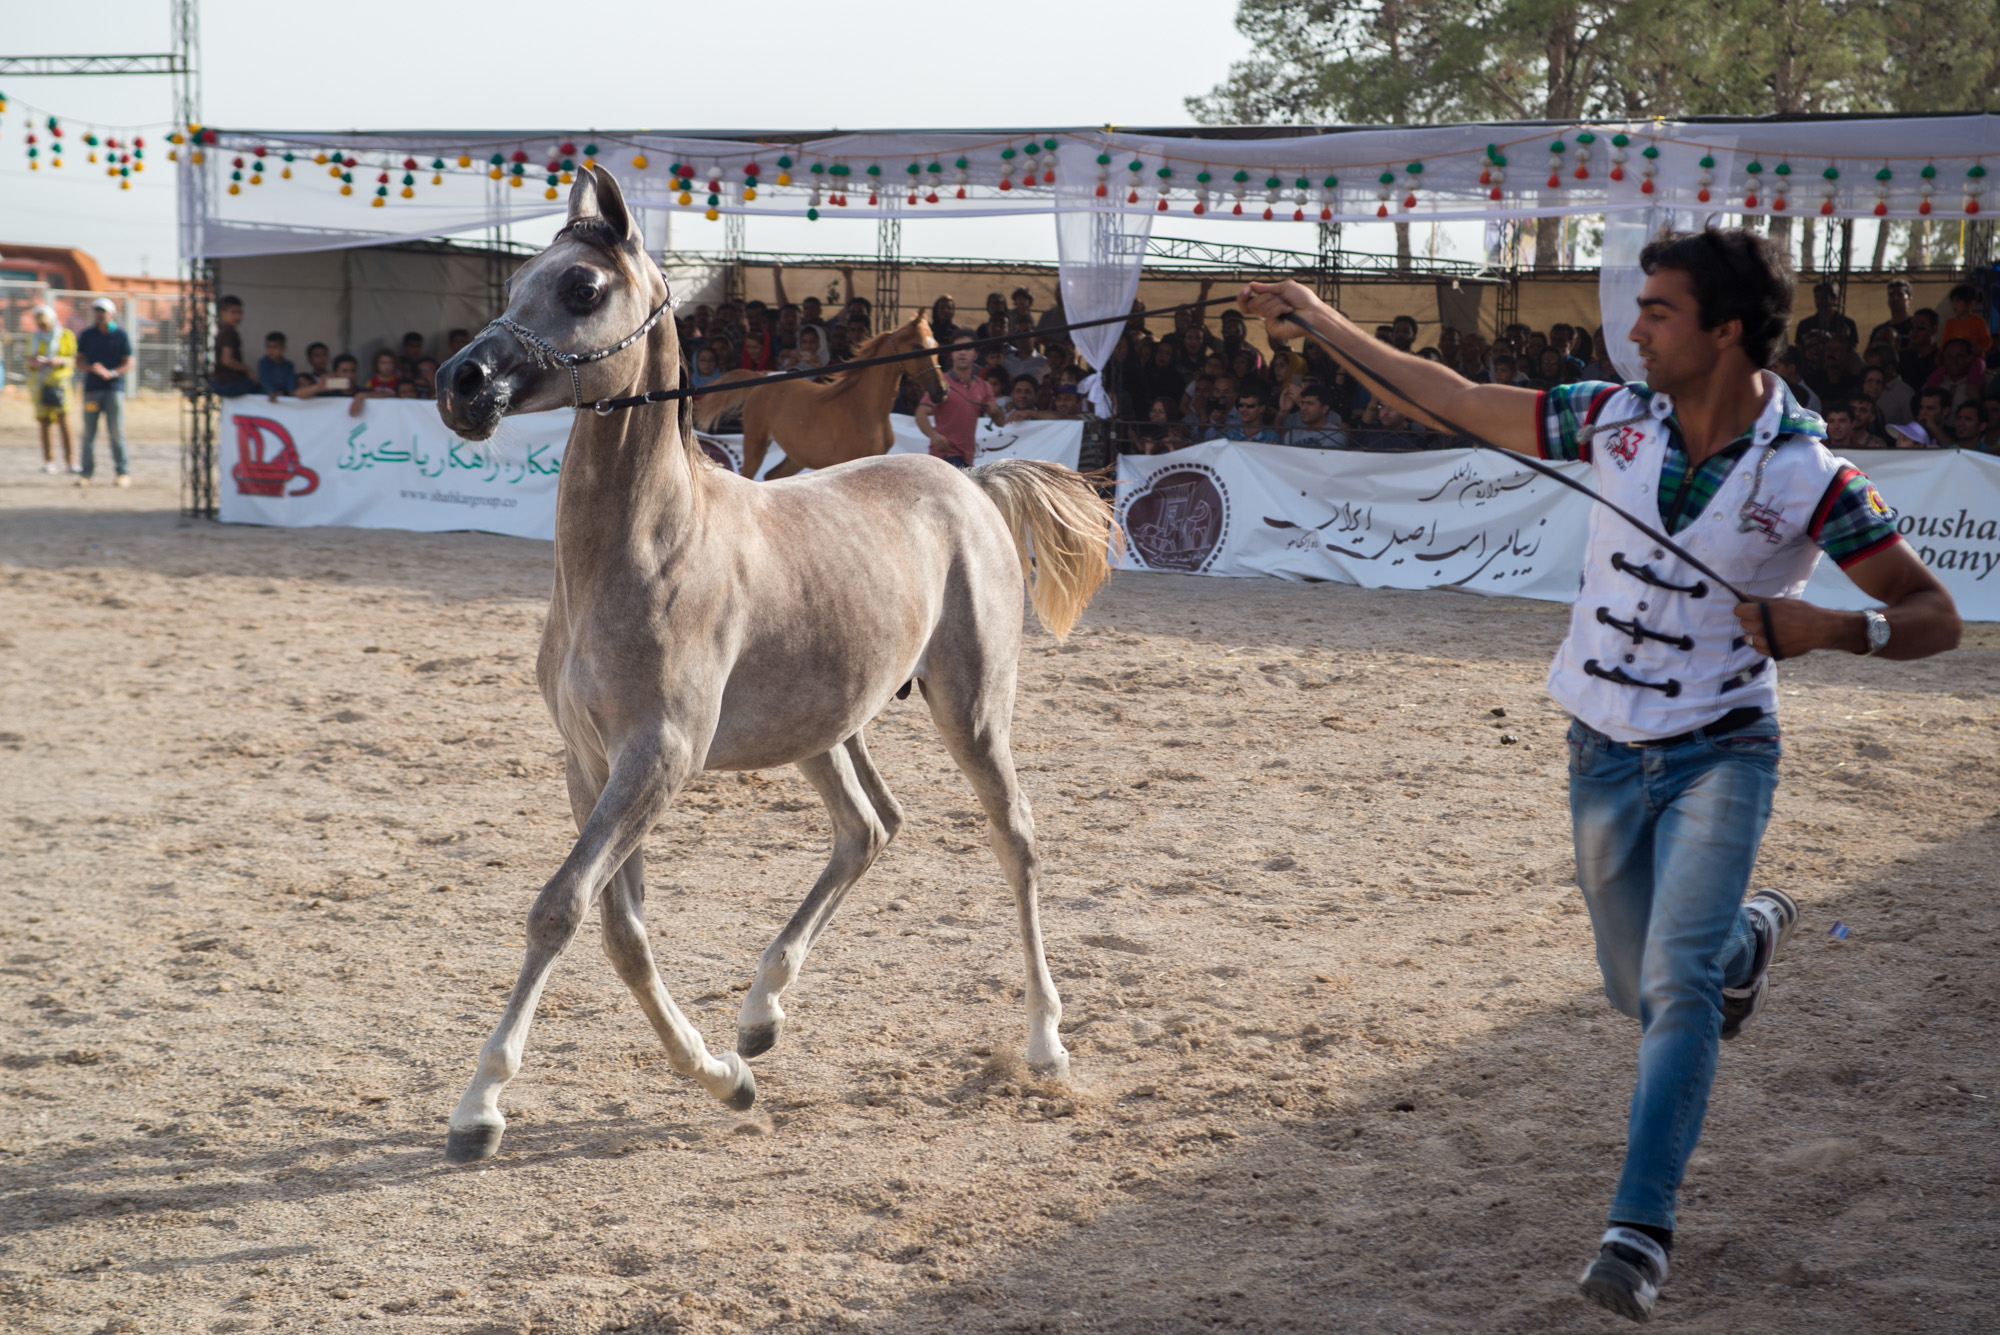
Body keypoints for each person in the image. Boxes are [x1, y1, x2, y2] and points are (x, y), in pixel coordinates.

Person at [1239, 226, 1961, 1325]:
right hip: (1598, 745)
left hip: (1722, 748)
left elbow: (1932, 618)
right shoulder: (1608, 417)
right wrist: (1316, 316)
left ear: (1721, 332)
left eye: (1656, 312)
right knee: (1642, 987)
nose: (1633, 330)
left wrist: (1828, 628)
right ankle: (1740, 938)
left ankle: (1636, 1231)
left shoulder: (1813, 478)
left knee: (1672, 997)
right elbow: (1450, 396)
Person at [915, 332, 1003, 468]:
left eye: (967, 348)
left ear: (975, 355)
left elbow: (1000, 423)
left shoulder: (984, 387)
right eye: (958, 348)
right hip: (943, 457)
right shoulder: (941, 382)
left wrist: (996, 411)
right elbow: (921, 413)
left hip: (967, 458)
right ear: (951, 354)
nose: (962, 352)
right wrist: (934, 436)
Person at [75, 298, 132, 487]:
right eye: (97, 311)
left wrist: (112, 373)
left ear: (112, 314)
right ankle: (86, 473)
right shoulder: (87, 335)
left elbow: (129, 362)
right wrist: (93, 369)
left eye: (104, 311)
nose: (100, 314)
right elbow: (79, 361)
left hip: (113, 389)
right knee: (89, 433)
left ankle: (122, 472)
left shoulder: (120, 335)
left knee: (116, 431)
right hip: (92, 390)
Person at [25, 305, 77, 474]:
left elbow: (73, 358)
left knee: (64, 422)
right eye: (39, 323)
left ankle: (71, 461)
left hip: (59, 383)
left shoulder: (65, 335)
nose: (42, 326)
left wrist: (58, 361)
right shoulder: (33, 338)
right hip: (40, 384)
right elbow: (28, 359)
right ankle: (49, 461)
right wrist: (34, 363)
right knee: (45, 423)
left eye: (45, 323)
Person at [211, 295, 257, 397]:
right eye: (233, 312)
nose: (237, 316)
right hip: (229, 384)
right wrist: (247, 370)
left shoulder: (223, 330)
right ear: (222, 313)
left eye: (240, 313)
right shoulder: (229, 332)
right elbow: (227, 360)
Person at [1924, 338, 1987, 411]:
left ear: (1970, 358)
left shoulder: (1982, 383)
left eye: (1959, 356)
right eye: (1949, 357)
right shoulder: (1935, 381)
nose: (1954, 361)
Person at [1282, 380, 1347, 448]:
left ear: (1324, 408)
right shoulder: (1291, 434)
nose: (1303, 408)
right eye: (1302, 403)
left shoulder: (1335, 434)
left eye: (1310, 404)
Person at [1794, 279, 1858, 347]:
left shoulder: (1847, 324)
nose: (1819, 301)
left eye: (1823, 297)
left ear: (1834, 299)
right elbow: (1799, 351)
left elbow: (1852, 352)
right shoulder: (1805, 325)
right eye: (1816, 297)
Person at [1941, 283, 1991, 358]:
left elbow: (1988, 341)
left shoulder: (1979, 322)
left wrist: (1979, 348)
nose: (1954, 305)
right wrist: (1940, 355)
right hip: (1955, 359)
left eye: (1958, 301)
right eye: (1953, 302)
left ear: (1971, 303)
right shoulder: (1950, 323)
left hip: (1975, 359)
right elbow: (1945, 343)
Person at [258, 332, 299, 398]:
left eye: (275, 347)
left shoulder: (289, 365)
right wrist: (271, 392)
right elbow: (265, 380)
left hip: (284, 396)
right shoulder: (263, 363)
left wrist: (288, 392)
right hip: (267, 397)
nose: (270, 350)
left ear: (283, 349)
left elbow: (291, 383)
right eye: (268, 347)